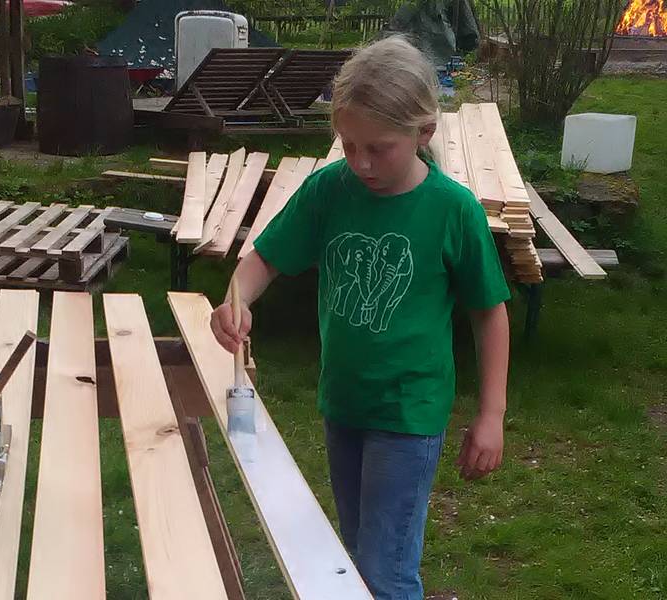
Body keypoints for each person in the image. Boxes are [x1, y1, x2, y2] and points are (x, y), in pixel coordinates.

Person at [210, 35, 510, 600]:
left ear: (423, 134)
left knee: (385, 569)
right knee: (353, 557)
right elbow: (265, 258)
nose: (361, 162)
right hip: (343, 403)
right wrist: (237, 300)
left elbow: (488, 314)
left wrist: (491, 413)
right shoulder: (331, 190)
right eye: (348, 145)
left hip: (409, 412)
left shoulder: (453, 211)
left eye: (379, 147)